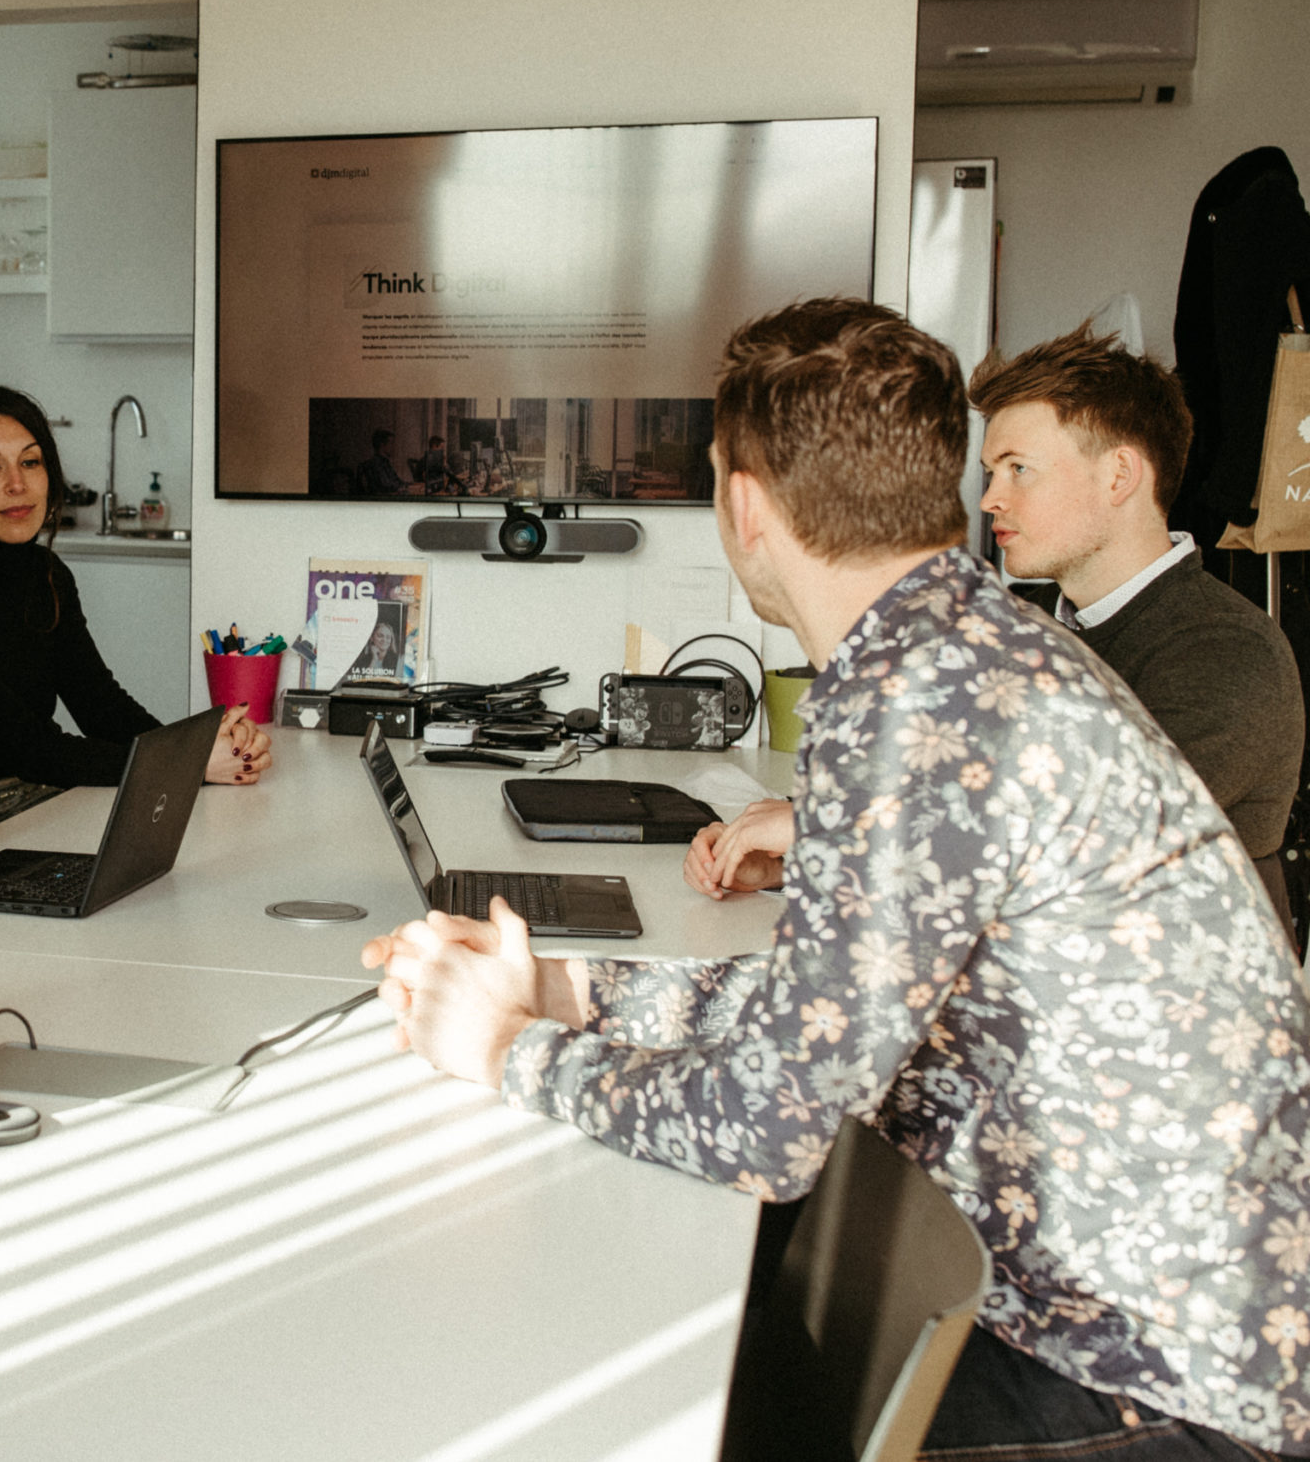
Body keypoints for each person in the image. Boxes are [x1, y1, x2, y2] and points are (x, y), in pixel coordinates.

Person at [366, 300, 1310, 1457]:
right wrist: (570, 989)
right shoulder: (964, 646)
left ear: (744, 503)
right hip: (1117, 1323)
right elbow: (828, 1005)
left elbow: (765, 1136)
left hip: (1156, 1388)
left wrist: (505, 1049)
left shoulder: (921, 704)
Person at [687, 323, 1306, 949]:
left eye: (1018, 470)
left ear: (1120, 475)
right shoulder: (1017, 621)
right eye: (990, 472)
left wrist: (823, 828)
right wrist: (791, 864)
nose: (990, 500)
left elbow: (1086, 836)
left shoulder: (1227, 651)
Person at [0, 384, 271, 790]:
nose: (17, 483)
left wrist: (200, 747)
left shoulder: (48, 574)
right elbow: (24, 750)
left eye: (31, 462)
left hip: (27, 800)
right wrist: (184, 765)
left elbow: (100, 705)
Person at [355, 428, 409, 497]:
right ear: (382, 445)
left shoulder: (385, 463)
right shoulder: (376, 464)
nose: (394, 447)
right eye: (391, 443)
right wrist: (406, 488)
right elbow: (387, 485)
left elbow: (397, 481)